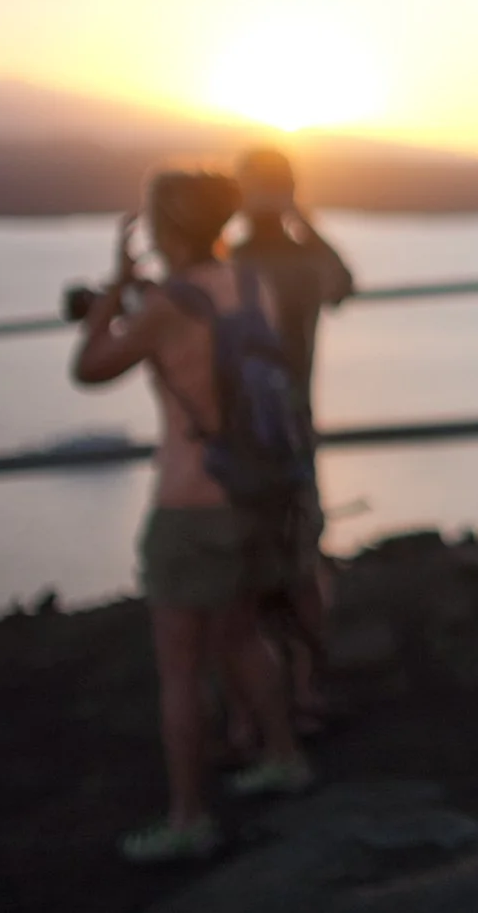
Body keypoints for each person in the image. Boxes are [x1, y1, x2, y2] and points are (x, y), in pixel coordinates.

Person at [72, 169, 314, 863]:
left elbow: (91, 366)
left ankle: (187, 817)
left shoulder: (164, 304)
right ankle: (282, 755)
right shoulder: (247, 283)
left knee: (179, 667)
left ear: (163, 228)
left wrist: (115, 290)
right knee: (241, 637)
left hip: (189, 502)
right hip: (250, 494)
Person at [230, 146, 354, 729]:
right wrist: (302, 216)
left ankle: (260, 712)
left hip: (238, 440)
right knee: (301, 559)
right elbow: (346, 284)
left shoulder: (227, 262)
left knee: (249, 571)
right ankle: (304, 690)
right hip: (293, 431)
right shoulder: (305, 260)